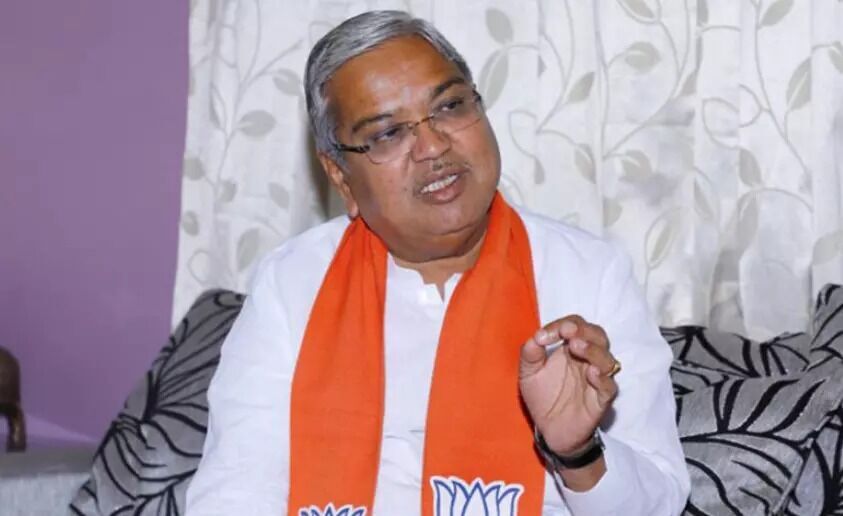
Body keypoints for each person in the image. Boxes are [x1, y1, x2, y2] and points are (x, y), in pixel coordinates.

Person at [185, 10, 690, 516]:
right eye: (387, 133)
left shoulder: (588, 275)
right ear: (340, 176)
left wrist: (577, 452)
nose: (432, 146)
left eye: (449, 106)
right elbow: (234, 494)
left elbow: (660, 505)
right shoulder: (291, 284)